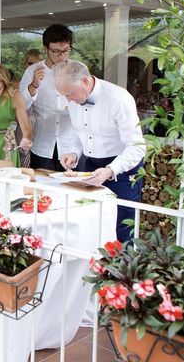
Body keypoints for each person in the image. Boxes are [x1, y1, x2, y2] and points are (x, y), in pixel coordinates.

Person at [53, 60, 145, 243]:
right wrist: (73, 153)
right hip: (91, 166)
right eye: (64, 95)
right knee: (92, 222)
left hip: (123, 170)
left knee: (122, 227)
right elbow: (81, 134)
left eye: (70, 94)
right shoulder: (73, 99)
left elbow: (137, 146)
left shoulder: (118, 99)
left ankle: (122, 269)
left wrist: (111, 170)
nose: (68, 100)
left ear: (85, 81)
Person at [19, 23, 76, 171]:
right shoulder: (33, 71)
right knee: (42, 188)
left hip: (71, 145)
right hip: (43, 144)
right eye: (56, 51)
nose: (62, 56)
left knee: (71, 189)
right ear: (45, 49)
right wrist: (34, 85)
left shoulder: (77, 69)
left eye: (66, 51)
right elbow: (21, 107)